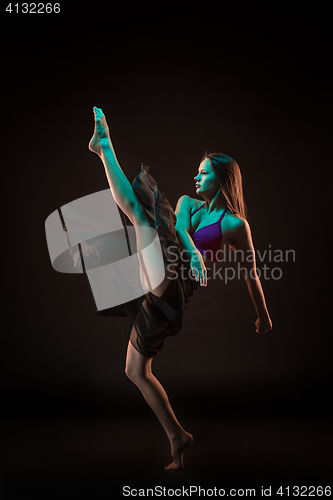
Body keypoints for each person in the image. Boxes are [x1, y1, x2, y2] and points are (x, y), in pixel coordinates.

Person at [88, 106, 272, 470]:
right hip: (164, 270)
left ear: (221, 180)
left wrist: (263, 316)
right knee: (136, 371)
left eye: (204, 173)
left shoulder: (236, 225)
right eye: (198, 171)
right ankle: (177, 437)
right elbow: (181, 234)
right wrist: (193, 251)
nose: (196, 177)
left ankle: (105, 148)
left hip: (175, 288)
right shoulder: (188, 204)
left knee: (141, 217)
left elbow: (252, 272)